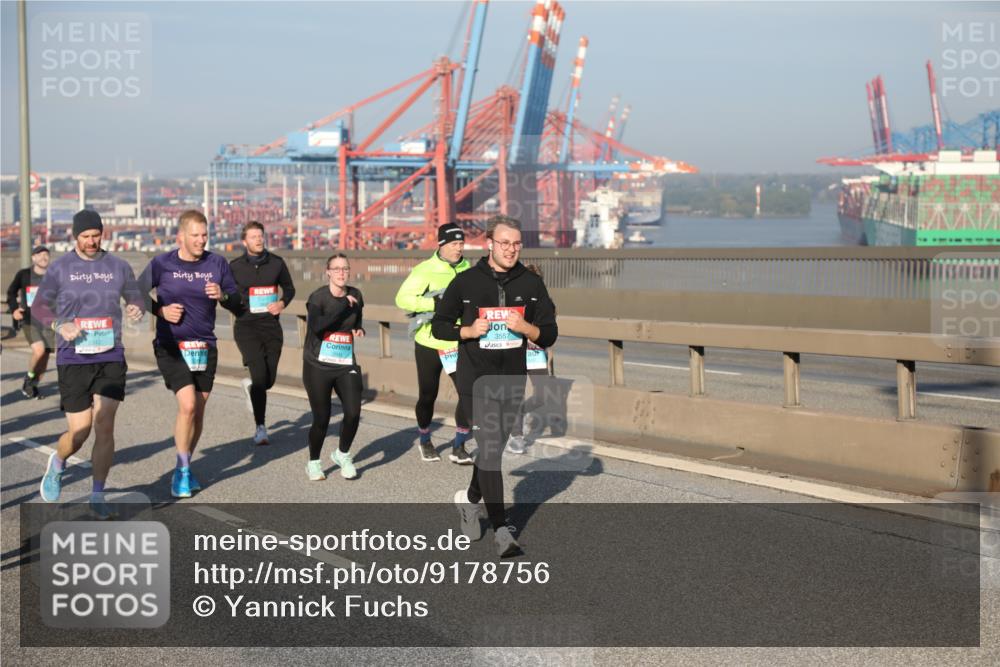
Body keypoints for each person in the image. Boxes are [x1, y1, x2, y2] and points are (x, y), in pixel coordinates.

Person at [432, 215, 558, 557]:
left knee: (493, 450)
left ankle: (469, 501)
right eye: (504, 243)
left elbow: (549, 333)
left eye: (516, 243)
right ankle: (503, 530)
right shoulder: (467, 282)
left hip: (511, 380)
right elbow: (440, 326)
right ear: (489, 243)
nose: (511, 249)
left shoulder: (531, 285)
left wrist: (526, 328)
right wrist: (469, 331)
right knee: (489, 450)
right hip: (476, 380)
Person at [34, 211, 145, 518]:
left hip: (110, 354)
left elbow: (135, 298)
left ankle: (98, 494)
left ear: (102, 233)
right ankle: (58, 462)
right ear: (75, 236)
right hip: (73, 357)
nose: (91, 241)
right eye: (85, 236)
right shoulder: (60, 268)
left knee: (105, 423)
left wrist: (136, 307)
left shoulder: (118, 266)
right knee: (80, 431)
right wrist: (59, 325)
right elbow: (39, 307)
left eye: (96, 235)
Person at [139, 210, 241, 499]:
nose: (201, 240)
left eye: (204, 235)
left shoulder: (217, 263)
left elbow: (238, 303)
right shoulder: (162, 263)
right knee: (187, 406)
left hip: (204, 347)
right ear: (180, 236)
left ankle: (185, 464)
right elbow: (134, 291)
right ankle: (182, 471)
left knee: (198, 410)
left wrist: (222, 295)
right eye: (195, 235)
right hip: (171, 345)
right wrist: (160, 310)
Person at [394, 222, 473, 464]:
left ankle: (459, 446)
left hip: (456, 341)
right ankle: (425, 439)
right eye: (453, 244)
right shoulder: (425, 270)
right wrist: (436, 305)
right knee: (428, 394)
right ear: (441, 245)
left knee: (468, 394)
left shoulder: (467, 268)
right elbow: (403, 299)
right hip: (428, 341)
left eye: (461, 243)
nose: (458, 249)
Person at [229, 221, 296, 446]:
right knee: (259, 376)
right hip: (246, 328)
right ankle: (260, 427)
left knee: (268, 380)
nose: (258, 239)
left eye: (261, 236)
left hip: (271, 328)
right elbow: (228, 297)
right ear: (244, 241)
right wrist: (231, 303)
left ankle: (251, 388)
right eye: (253, 236)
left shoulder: (276, 263)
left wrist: (282, 303)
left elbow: (289, 288)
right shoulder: (235, 267)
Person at [302, 254, 365, 481]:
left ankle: (343, 454)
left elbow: (357, 318)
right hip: (317, 365)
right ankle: (314, 462)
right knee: (322, 418)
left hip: (344, 362)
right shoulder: (317, 298)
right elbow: (318, 327)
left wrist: (358, 328)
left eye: (345, 269)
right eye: (336, 269)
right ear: (327, 272)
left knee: (353, 412)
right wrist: (341, 308)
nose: (341, 273)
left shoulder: (356, 295)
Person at [506, 263, 554, 455]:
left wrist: (550, 357)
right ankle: (516, 436)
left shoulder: (548, 303)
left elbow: (549, 333)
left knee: (544, 394)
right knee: (515, 393)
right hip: (515, 352)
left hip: (536, 353)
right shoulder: (510, 302)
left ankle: (521, 413)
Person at [6, 245, 55, 398]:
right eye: (39, 255)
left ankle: (32, 384)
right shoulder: (24, 274)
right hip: (29, 319)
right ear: (33, 258)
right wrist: (14, 309)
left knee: (45, 357)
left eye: (46, 255)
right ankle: (29, 377)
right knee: (39, 350)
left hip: (49, 321)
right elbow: (11, 292)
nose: (43, 257)